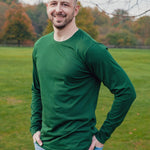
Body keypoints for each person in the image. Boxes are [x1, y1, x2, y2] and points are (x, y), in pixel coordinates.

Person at [30, 0, 136, 150]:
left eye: (65, 4)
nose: (58, 9)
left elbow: (126, 92)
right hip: (43, 145)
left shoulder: (91, 49)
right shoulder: (40, 46)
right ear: (47, 7)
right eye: (53, 3)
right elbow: (37, 89)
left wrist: (102, 136)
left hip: (80, 146)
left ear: (76, 10)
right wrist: (35, 127)